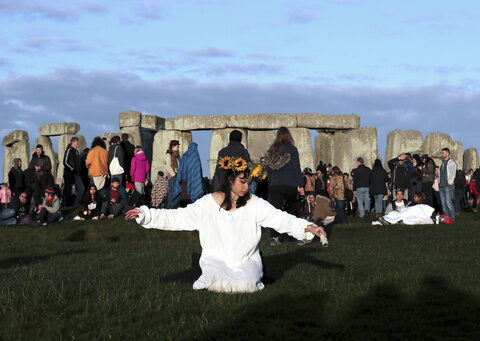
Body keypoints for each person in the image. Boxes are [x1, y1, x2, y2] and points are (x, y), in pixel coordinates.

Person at [125, 159, 327, 293]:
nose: (247, 186)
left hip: (245, 259)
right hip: (216, 259)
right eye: (242, 181)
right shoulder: (207, 203)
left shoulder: (254, 203)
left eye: (249, 182)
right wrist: (146, 214)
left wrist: (308, 227)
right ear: (230, 180)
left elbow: (280, 219)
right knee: (213, 279)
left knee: (246, 284)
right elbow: (177, 217)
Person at [264, 127, 303, 245]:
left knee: (275, 212)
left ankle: (275, 238)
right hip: (290, 184)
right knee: (293, 210)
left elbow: (268, 169)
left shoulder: (271, 150)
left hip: (275, 185)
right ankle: (295, 235)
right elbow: (297, 168)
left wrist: (271, 180)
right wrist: (300, 184)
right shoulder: (292, 149)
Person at [169, 142, 204, 208]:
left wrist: (180, 178)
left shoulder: (185, 156)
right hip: (194, 183)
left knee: (184, 205)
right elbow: (198, 173)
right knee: (193, 205)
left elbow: (181, 170)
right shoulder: (196, 157)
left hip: (184, 184)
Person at [63, 136, 84, 207]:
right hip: (69, 174)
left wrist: (78, 170)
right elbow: (65, 162)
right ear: (73, 142)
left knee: (81, 188)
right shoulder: (69, 150)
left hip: (76, 174)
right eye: (77, 142)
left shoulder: (77, 152)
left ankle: (76, 204)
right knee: (68, 190)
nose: (78, 143)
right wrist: (72, 169)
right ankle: (66, 205)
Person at [438, 147, 456, 222]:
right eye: (442, 153)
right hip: (441, 185)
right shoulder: (441, 164)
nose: (442, 154)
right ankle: (447, 218)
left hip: (448, 185)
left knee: (449, 203)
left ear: (447, 154)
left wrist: (449, 183)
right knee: (443, 204)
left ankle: (452, 218)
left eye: (443, 153)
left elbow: (452, 174)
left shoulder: (451, 163)